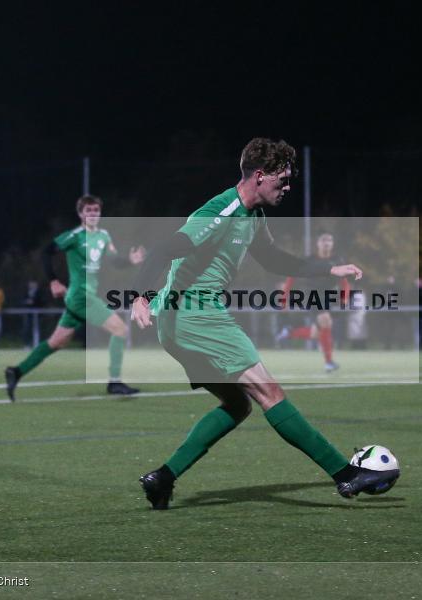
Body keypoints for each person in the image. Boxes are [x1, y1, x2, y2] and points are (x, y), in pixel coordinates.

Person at [130, 138, 398, 509]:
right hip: (195, 315)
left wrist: (329, 268)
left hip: (180, 324)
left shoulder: (253, 218)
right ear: (260, 176)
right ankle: (346, 474)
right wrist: (140, 296)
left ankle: (162, 478)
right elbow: (164, 250)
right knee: (270, 392)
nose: (287, 188)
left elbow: (274, 260)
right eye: (282, 180)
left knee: (238, 405)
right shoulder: (221, 210)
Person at [5, 195, 146, 399]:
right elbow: (47, 252)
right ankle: (114, 383)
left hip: (81, 298)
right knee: (121, 330)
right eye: (88, 211)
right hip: (81, 297)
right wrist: (53, 280)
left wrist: (130, 261)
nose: (92, 214)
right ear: (81, 214)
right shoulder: (75, 236)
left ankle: (16, 372)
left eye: (96, 210)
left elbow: (114, 261)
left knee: (56, 342)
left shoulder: (104, 236)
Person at [275, 232, 349, 371]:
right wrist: (284, 298)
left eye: (329, 240)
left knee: (317, 332)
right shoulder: (309, 260)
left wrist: (344, 297)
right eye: (323, 240)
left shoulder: (338, 260)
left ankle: (289, 333)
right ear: (318, 243)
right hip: (312, 296)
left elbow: (344, 281)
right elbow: (292, 277)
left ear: (332, 244)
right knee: (326, 321)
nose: (326, 243)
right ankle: (329, 363)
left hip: (329, 298)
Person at [20, 280, 45, 348]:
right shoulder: (26, 292)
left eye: (33, 283)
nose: (32, 285)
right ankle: (27, 344)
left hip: (38, 314)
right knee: (27, 329)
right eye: (30, 284)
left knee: (37, 329)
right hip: (28, 314)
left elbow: (42, 302)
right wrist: (26, 302)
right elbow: (21, 301)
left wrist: (34, 302)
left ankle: (38, 344)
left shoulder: (40, 292)